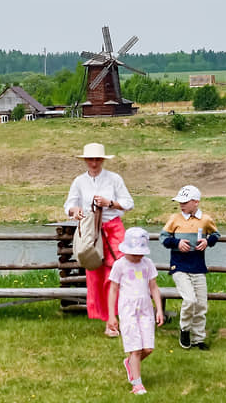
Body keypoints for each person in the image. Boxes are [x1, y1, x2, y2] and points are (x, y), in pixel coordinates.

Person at [64, 142, 134, 336]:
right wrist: (75, 211)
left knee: (116, 273)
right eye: (90, 159)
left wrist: (110, 203)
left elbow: (129, 203)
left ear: (102, 160)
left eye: (97, 159)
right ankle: (108, 319)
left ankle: (117, 318)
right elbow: (69, 205)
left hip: (113, 230)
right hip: (91, 232)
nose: (93, 163)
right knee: (95, 276)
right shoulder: (79, 181)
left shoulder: (114, 179)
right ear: (85, 160)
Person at [160, 184, 220, 350]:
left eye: (185, 202)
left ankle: (198, 339)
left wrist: (208, 241)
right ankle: (184, 329)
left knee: (201, 304)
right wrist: (177, 243)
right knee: (190, 299)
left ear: (196, 202)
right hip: (179, 266)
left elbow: (216, 234)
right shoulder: (175, 219)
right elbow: (163, 237)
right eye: (180, 202)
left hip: (198, 266)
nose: (181, 205)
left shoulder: (205, 220)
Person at [107, 227, 165, 395]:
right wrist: (112, 316)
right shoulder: (120, 265)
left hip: (145, 309)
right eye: (134, 253)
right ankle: (137, 384)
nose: (138, 256)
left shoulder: (147, 264)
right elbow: (113, 290)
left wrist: (159, 310)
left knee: (147, 348)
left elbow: (154, 287)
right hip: (128, 310)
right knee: (135, 348)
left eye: (141, 253)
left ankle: (130, 363)